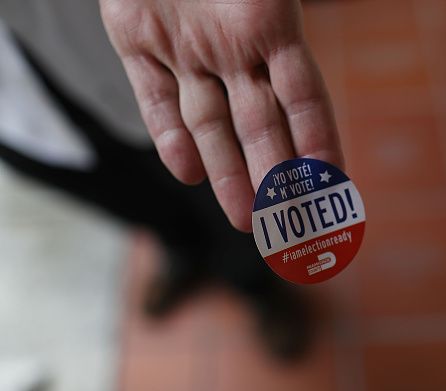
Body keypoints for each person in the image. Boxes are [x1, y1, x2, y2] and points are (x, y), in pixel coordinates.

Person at [0, 0, 343, 360]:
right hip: (18, 117)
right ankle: (183, 254)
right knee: (135, 201)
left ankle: (258, 288)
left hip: (133, 51)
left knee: (223, 190)